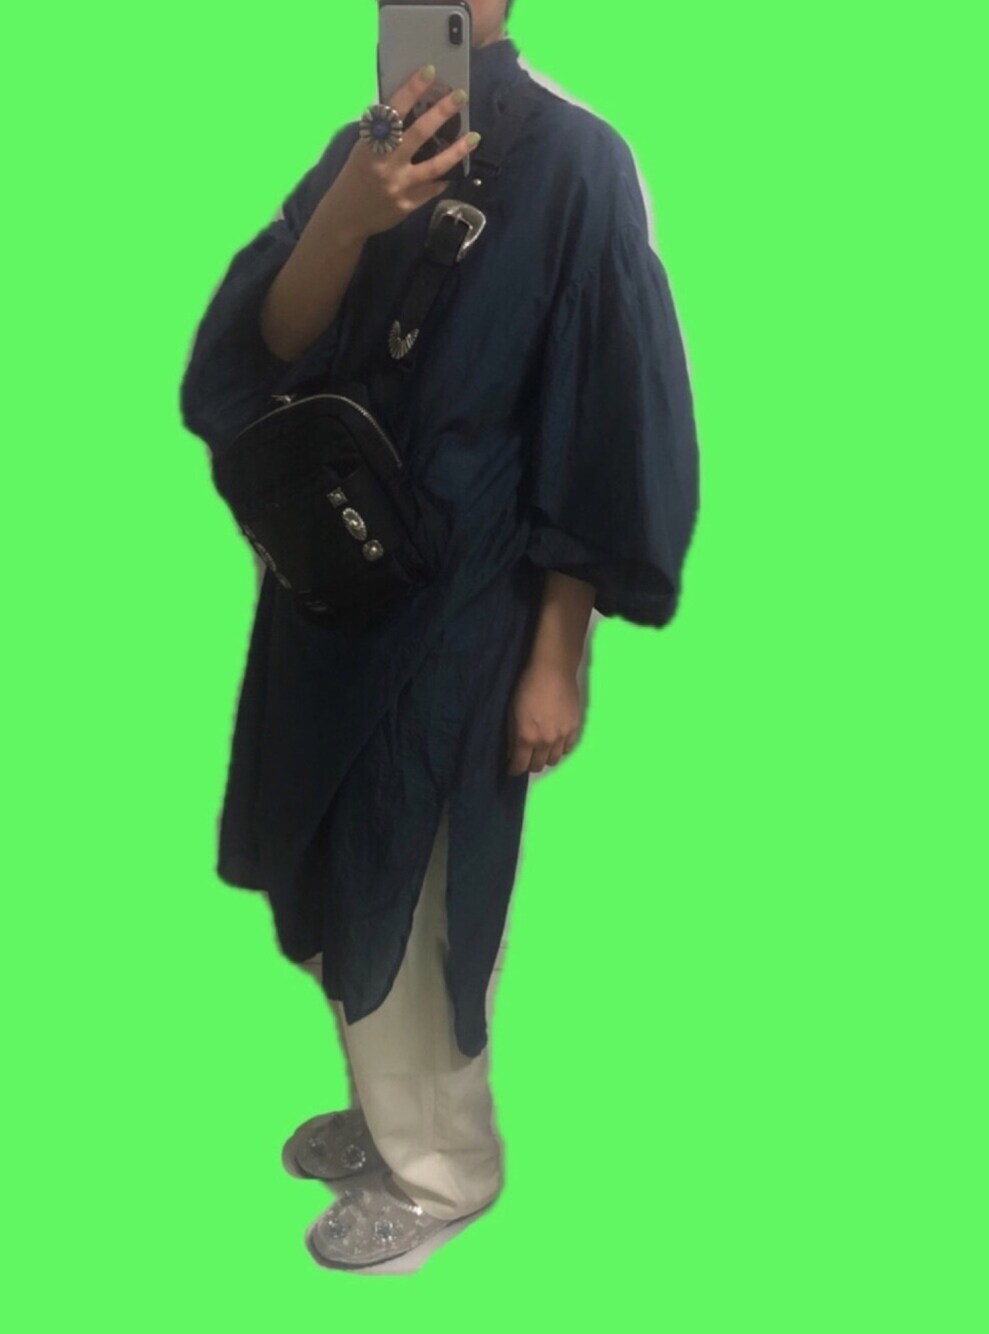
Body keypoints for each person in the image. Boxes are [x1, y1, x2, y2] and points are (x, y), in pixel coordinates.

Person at [178, 0, 699, 1271]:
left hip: (465, 610)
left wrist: (557, 655)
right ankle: (388, 1113)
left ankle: (442, 1169)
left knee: (419, 886)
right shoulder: (360, 149)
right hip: (334, 585)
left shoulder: (578, 164)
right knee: (336, 867)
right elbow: (257, 353)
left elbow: (606, 415)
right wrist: (348, 218)